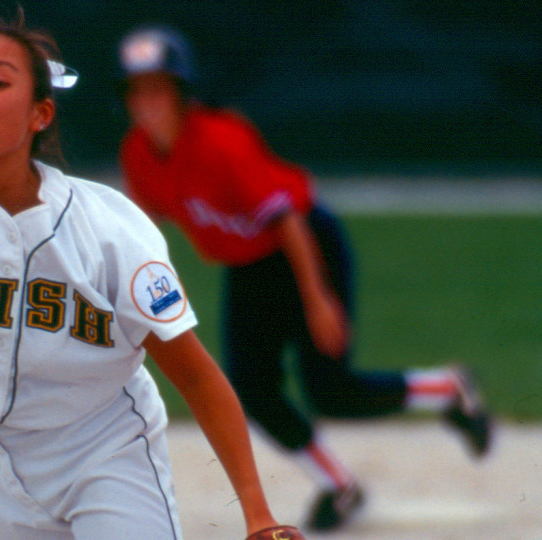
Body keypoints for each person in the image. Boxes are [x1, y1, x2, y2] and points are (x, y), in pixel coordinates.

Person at [0, 11, 303, 540]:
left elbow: (196, 375)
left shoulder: (107, 231)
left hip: (105, 446)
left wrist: (257, 514)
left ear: (40, 113)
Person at [114, 25, 494, 532]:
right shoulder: (138, 153)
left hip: (306, 243)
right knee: (251, 387)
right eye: (138, 90)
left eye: (158, 88)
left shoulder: (222, 139)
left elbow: (286, 217)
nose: (148, 102)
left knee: (330, 388)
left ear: (183, 93)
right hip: (248, 266)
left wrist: (316, 298)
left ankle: (449, 388)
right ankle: (341, 486)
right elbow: (145, 229)